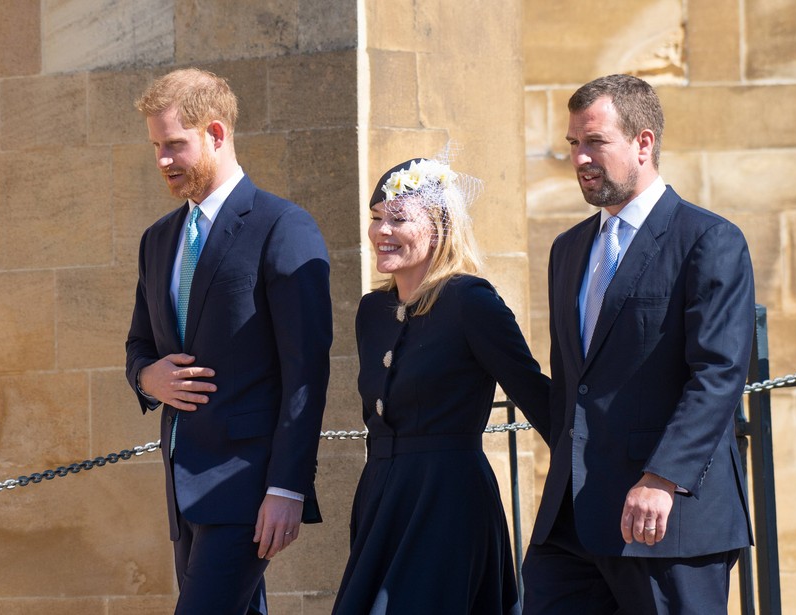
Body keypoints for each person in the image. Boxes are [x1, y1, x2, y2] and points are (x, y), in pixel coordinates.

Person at [522, 74, 755, 615]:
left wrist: (663, 477)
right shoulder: (568, 249)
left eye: (595, 142)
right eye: (573, 144)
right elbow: (572, 378)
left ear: (643, 142)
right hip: (571, 522)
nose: (580, 158)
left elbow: (718, 373)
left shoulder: (708, 240)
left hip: (665, 519)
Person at [125, 68, 332, 615]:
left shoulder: (283, 226)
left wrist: (288, 488)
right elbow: (139, 346)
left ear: (216, 134)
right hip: (181, 488)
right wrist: (149, 378)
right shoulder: (158, 240)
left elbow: (306, 372)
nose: (163, 160)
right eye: (155, 147)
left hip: (247, 489)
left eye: (175, 145)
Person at [332, 153, 551, 614]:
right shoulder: (372, 311)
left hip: (448, 500)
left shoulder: (471, 302)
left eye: (397, 219)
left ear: (438, 228)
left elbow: (538, 396)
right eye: (376, 218)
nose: (381, 231)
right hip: (381, 498)